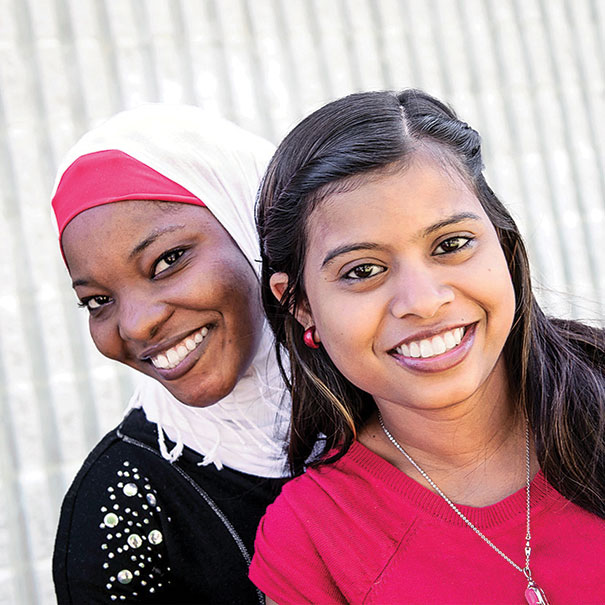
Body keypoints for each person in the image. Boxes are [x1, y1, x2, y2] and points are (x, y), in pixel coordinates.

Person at [250, 89, 605, 604]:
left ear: (502, 243)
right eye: (363, 271)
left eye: (451, 244)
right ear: (301, 304)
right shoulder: (311, 541)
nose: (423, 302)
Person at [50, 104, 290, 604]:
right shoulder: (119, 514)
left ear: (255, 231)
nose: (137, 324)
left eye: (167, 260)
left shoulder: (388, 401)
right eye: (98, 301)